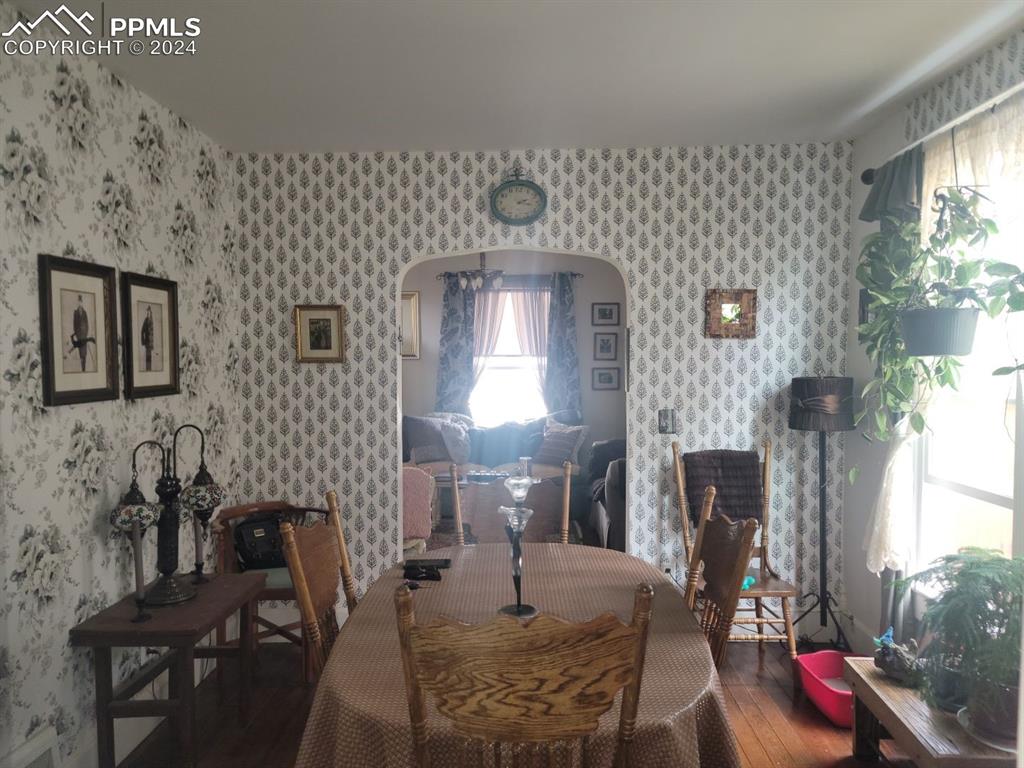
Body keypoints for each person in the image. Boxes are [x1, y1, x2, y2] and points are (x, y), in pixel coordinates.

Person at [72, 294, 89, 371]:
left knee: (84, 352)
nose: (80, 303)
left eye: (81, 302)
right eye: (78, 302)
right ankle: (82, 368)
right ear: (77, 303)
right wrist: (76, 334)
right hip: (79, 335)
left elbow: (87, 324)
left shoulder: (85, 312)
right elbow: (74, 324)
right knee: (80, 352)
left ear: (82, 303)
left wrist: (86, 333)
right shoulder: (75, 312)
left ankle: (84, 368)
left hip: (84, 335)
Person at [141, 305, 154, 371]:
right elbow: (142, 331)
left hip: (151, 342)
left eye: (149, 312)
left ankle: (149, 369)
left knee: (150, 358)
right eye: (147, 312)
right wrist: (143, 342)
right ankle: (148, 370)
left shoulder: (152, 320)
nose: (148, 313)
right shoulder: (146, 320)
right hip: (147, 342)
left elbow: (152, 332)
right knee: (148, 357)